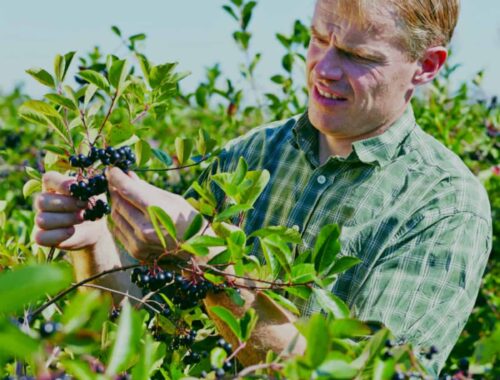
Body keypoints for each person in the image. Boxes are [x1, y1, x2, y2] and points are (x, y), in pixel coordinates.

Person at [34, 0, 492, 376]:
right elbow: (144, 326)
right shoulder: (249, 156)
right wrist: (93, 244)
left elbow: (373, 373)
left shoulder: (443, 207)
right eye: (318, 39)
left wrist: (206, 256)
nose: (323, 68)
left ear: (426, 66)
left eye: (358, 56)